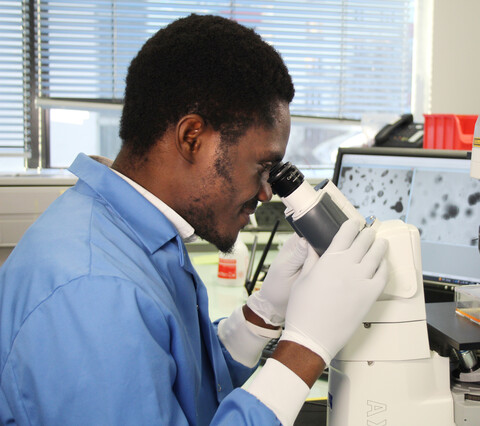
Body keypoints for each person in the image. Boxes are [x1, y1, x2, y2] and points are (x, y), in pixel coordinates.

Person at [0, 13, 388, 426]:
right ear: (192, 138)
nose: (265, 192)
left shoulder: (133, 236)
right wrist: (306, 347)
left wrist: (263, 314)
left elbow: (177, 386)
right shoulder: (95, 292)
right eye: (262, 167)